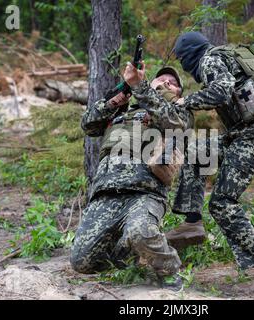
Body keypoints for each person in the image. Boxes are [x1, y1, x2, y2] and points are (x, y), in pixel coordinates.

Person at [167, 31, 254, 291]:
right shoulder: (226, 55)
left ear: (190, 55)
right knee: (200, 152)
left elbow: (221, 93)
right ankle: (192, 223)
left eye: (182, 61)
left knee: (222, 203)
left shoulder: (210, 60)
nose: (185, 67)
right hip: (251, 132)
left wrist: (184, 101)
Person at [70, 63, 192, 292]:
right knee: (81, 262)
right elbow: (88, 124)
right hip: (106, 192)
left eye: (173, 83)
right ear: (151, 82)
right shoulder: (122, 110)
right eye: (162, 79)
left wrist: (141, 87)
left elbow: (174, 124)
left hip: (145, 192)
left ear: (178, 94)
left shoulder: (178, 110)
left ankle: (169, 270)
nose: (167, 82)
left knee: (140, 231)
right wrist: (118, 98)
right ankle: (137, 252)